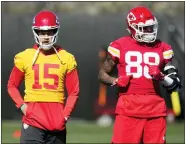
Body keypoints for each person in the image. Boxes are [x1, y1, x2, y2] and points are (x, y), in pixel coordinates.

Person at [98, 6, 181, 143]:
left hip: (155, 110)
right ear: (132, 28)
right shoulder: (120, 45)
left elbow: (175, 85)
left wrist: (162, 77)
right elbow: (102, 74)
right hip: (128, 108)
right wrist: (116, 80)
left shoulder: (163, 48)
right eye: (144, 28)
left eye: (151, 27)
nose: (149, 31)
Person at [7, 10, 79, 144]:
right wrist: (23, 107)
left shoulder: (66, 58)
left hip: (57, 125)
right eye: (42, 32)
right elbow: (11, 85)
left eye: (50, 32)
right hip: (32, 123)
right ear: (36, 33)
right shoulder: (25, 57)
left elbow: (74, 91)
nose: (46, 37)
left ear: (55, 32)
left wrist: (64, 116)